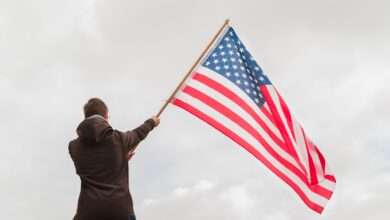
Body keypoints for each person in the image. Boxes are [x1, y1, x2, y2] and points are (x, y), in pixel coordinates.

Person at [69, 98, 160, 220]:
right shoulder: (118, 139)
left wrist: (120, 159)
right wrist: (152, 122)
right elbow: (138, 134)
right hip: (119, 209)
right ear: (106, 116)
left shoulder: (73, 147)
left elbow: (93, 167)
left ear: (85, 117)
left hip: (88, 212)